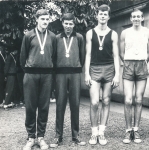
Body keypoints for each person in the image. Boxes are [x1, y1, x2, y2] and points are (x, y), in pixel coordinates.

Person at [20, 9, 56, 150]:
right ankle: (30, 137)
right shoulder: (29, 35)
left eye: (47, 19)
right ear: (37, 19)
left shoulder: (52, 36)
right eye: (42, 19)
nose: (45, 21)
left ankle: (41, 137)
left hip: (47, 75)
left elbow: (54, 56)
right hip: (30, 75)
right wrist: (29, 70)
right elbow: (23, 57)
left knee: (44, 106)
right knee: (30, 106)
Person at [85, 4, 120, 145]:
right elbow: (87, 55)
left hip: (109, 68)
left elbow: (116, 56)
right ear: (97, 15)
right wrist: (86, 74)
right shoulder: (90, 33)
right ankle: (94, 133)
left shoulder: (113, 34)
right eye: (100, 14)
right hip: (94, 68)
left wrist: (117, 75)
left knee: (106, 101)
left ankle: (102, 132)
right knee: (94, 102)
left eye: (105, 14)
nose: (103, 16)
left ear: (108, 16)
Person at [49, 13, 86, 148]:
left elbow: (82, 57)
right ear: (62, 23)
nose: (68, 26)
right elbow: (53, 57)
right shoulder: (57, 38)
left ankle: (75, 136)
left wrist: (76, 68)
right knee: (60, 105)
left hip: (75, 74)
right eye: (66, 23)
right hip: (60, 75)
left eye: (71, 24)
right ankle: (58, 136)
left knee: (75, 104)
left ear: (74, 24)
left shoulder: (80, 38)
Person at [120, 9, 149, 144]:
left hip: (141, 65)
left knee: (138, 100)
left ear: (142, 18)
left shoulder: (148, 32)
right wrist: (128, 62)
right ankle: (128, 131)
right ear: (131, 19)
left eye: (139, 16)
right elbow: (121, 53)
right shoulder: (125, 32)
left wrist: (143, 62)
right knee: (128, 100)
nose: (136, 18)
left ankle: (136, 129)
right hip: (128, 64)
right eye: (134, 17)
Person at [0, 42, 6, 108]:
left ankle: (1, 100)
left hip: (2, 73)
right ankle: (0, 101)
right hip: (0, 73)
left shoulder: (2, 55)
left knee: (1, 87)